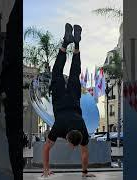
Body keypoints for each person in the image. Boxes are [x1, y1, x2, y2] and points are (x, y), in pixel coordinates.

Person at [41, 23, 96, 178]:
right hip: (59, 98)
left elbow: (85, 154)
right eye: (72, 145)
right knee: (57, 72)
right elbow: (46, 149)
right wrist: (45, 170)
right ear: (67, 138)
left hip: (73, 99)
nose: (71, 146)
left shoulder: (83, 130)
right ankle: (66, 42)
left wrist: (85, 173)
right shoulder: (58, 128)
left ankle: (76, 42)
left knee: (74, 72)